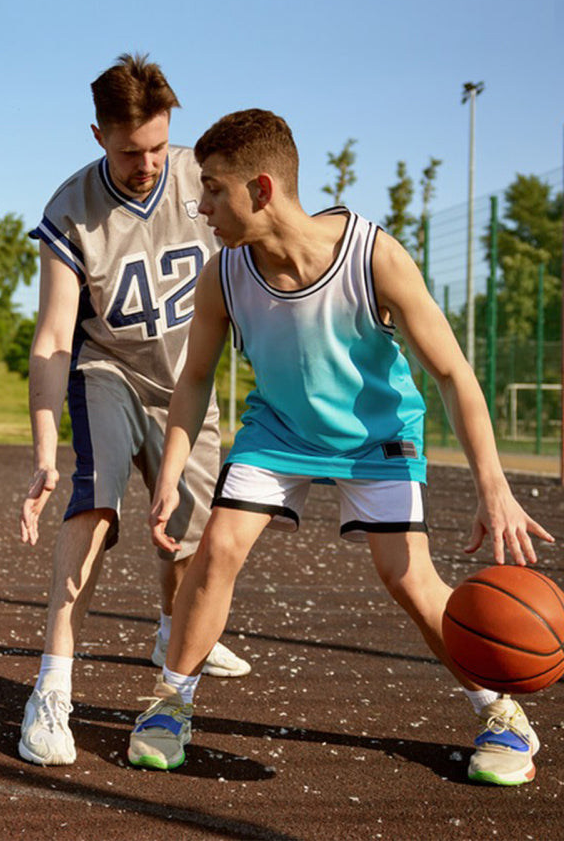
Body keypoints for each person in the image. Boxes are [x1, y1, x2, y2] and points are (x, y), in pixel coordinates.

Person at [126, 108, 555, 786]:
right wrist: (172, 469)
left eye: (212, 189)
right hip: (279, 431)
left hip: (376, 436)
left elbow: (452, 373)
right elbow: (196, 377)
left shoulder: (373, 255)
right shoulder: (223, 274)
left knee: (408, 579)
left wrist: (493, 487)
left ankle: (501, 713)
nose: (200, 206)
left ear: (261, 189)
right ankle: (170, 702)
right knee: (218, 548)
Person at [17, 54, 251, 767]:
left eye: (158, 147)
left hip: (188, 384)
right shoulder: (70, 209)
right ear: (98, 135)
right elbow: (54, 337)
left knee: (189, 539)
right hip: (108, 370)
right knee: (94, 501)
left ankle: (172, 630)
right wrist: (45, 450)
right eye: (129, 152)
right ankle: (51, 689)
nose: (148, 165)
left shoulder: (203, 178)